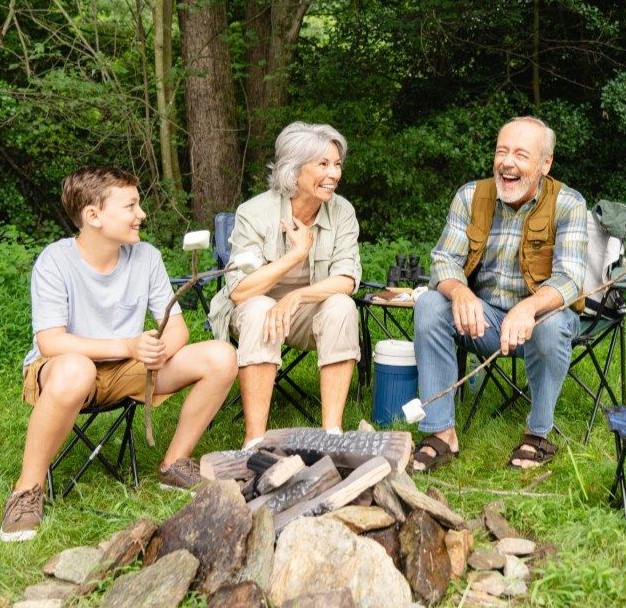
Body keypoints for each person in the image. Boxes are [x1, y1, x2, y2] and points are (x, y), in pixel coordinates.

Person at [1, 167, 237, 543]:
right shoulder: (55, 260)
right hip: (63, 370)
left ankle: (174, 464)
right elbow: (51, 342)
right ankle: (27, 491)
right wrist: (126, 346)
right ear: (93, 216)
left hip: (129, 369)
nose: (141, 214)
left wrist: (159, 348)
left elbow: (176, 327)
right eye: (130, 205)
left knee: (222, 356)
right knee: (76, 369)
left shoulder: (146, 257)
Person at [412, 116, 588, 472]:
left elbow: (570, 279)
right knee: (431, 304)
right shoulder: (470, 195)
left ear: (545, 163)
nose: (507, 162)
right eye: (501, 152)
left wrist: (530, 308)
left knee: (552, 325)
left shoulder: (568, 203)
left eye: (521, 155)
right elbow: (444, 260)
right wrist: (460, 292)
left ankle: (537, 434)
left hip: (542, 319)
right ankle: (440, 433)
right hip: (484, 320)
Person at [209, 122, 361, 449]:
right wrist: (297, 255)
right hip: (254, 312)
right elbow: (241, 291)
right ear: (293, 171)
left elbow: (347, 279)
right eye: (323, 164)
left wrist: (296, 296)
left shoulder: (342, 211)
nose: (334, 173)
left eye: (337, 164)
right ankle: (255, 441)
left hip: (306, 312)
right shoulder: (254, 212)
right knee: (262, 308)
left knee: (341, 306)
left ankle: (332, 435)